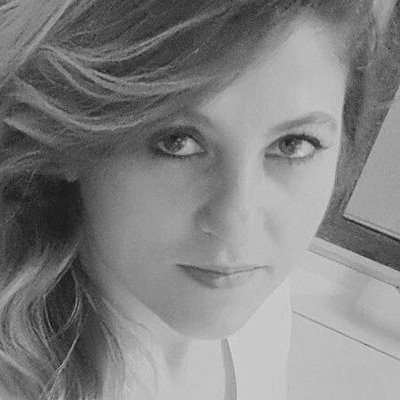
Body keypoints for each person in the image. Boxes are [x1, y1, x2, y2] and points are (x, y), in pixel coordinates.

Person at [0, 0, 383, 399]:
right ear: (65, 139)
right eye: (176, 142)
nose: (236, 222)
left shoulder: (259, 306)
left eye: (294, 145)